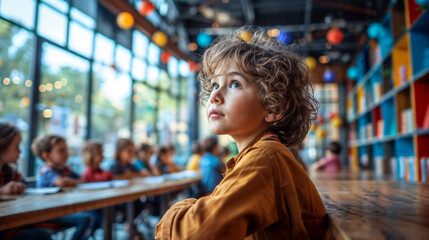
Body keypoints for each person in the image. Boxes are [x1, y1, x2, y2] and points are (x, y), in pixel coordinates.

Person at [155, 27, 328, 239]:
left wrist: (176, 210)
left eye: (235, 84)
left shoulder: (264, 159)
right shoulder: (264, 155)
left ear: (274, 107)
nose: (215, 96)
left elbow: (192, 234)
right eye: (215, 84)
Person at [31, 134, 95, 240]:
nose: (66, 154)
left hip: (60, 210)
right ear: (46, 156)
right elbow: (62, 182)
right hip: (47, 213)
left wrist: (74, 181)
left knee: (93, 215)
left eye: (66, 150)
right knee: (85, 218)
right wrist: (74, 181)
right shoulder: (46, 171)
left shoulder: (64, 169)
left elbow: (82, 180)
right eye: (61, 150)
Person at [0, 123, 51, 240]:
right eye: (17, 146)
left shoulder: (10, 172)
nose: (20, 151)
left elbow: (26, 187)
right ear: (2, 146)